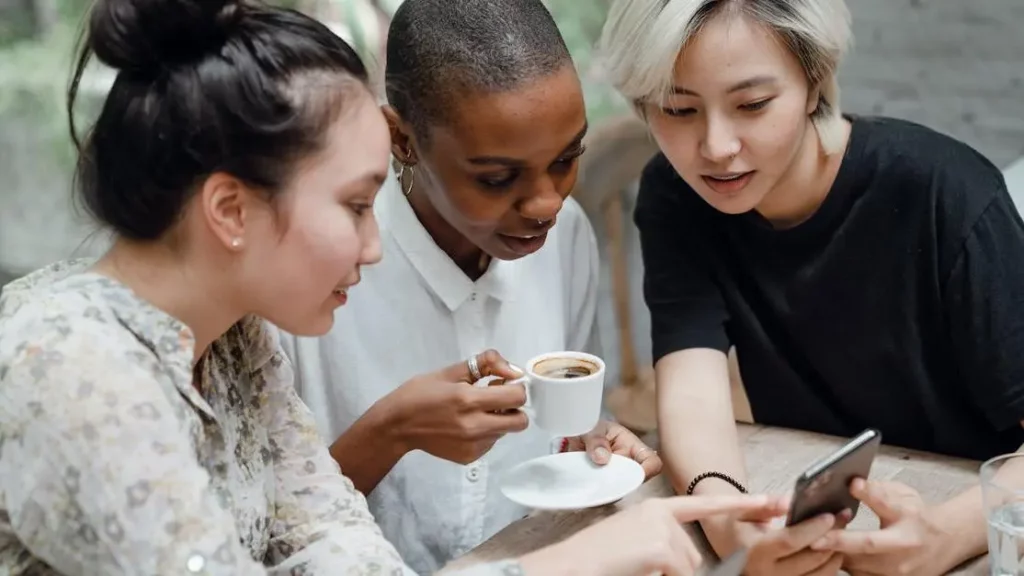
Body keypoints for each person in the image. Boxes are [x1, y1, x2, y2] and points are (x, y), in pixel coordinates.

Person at [0, 0, 788, 574]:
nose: (377, 246)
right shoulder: (74, 365)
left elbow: (335, 548)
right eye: (354, 206)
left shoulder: (236, 340)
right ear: (230, 209)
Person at [598, 0, 1024, 574]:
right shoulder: (677, 196)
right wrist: (731, 523)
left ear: (815, 80)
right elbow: (692, 392)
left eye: (752, 104)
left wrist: (942, 538)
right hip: (810, 503)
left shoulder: (945, 193)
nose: (716, 147)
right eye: (678, 109)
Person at [278, 0, 660, 573]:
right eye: (497, 178)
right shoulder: (314, 274)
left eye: (567, 158)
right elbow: (261, 536)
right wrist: (390, 433)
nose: (546, 203)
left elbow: (562, 444)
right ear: (401, 140)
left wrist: (591, 443)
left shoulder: (566, 240)